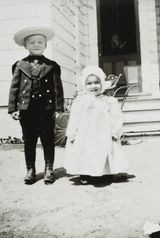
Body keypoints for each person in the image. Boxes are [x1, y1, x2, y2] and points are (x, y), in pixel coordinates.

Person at [8, 27, 64, 185]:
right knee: (29, 140)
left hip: (46, 109)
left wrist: (59, 109)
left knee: (47, 139)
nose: (36, 44)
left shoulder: (52, 66)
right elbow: (14, 88)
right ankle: (30, 170)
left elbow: (57, 89)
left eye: (40, 41)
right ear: (26, 46)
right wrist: (13, 109)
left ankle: (49, 169)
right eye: (32, 42)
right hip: (27, 110)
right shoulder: (19, 65)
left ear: (46, 45)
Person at [64, 65, 128, 184]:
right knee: (85, 151)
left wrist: (115, 131)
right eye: (89, 83)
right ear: (84, 85)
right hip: (85, 134)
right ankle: (85, 173)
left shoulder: (109, 101)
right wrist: (72, 133)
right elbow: (74, 119)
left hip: (102, 134)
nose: (93, 86)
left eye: (97, 82)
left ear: (102, 83)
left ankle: (105, 172)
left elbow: (117, 118)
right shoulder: (80, 102)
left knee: (103, 151)